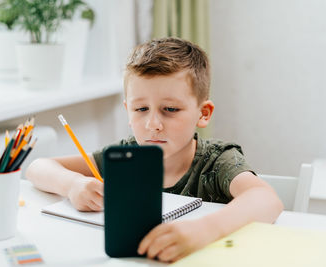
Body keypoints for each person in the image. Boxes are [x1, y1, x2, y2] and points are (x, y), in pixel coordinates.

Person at [26, 37, 283, 263]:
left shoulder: (217, 160)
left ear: (203, 114)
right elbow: (38, 168)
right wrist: (73, 185)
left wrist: (204, 231)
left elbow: (267, 199)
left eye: (170, 109)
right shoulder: (125, 155)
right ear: (128, 110)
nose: (153, 125)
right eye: (141, 109)